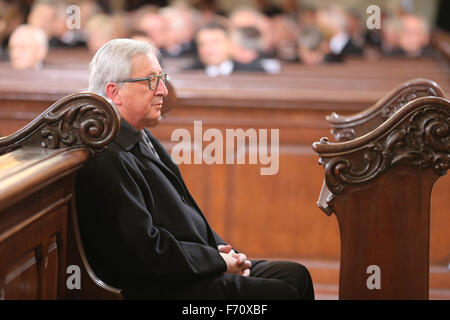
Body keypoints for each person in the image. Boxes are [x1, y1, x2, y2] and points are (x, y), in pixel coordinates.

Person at [76, 38, 314, 300]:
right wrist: (218, 261)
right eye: (151, 81)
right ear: (114, 92)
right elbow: (146, 251)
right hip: (161, 288)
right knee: (279, 294)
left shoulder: (140, 134)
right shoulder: (106, 155)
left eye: (162, 78)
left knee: (295, 275)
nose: (164, 91)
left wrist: (221, 249)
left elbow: (184, 210)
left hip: (189, 266)